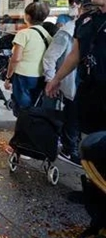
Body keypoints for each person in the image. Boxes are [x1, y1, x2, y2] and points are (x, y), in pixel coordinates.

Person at [47, 0, 106, 135]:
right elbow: (75, 53)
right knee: (89, 138)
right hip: (88, 88)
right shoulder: (86, 20)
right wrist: (56, 79)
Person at [43, 13, 80, 167]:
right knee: (73, 114)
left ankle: (73, 146)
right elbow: (51, 56)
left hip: (86, 81)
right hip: (72, 80)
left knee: (78, 115)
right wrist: (51, 79)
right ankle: (69, 148)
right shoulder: (68, 31)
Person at [5, 2, 52, 115]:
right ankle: (32, 129)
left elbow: (16, 58)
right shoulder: (47, 35)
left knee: (22, 109)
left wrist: (8, 76)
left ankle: (23, 130)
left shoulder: (23, 34)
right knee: (35, 108)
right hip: (40, 76)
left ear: (27, 16)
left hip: (23, 75)